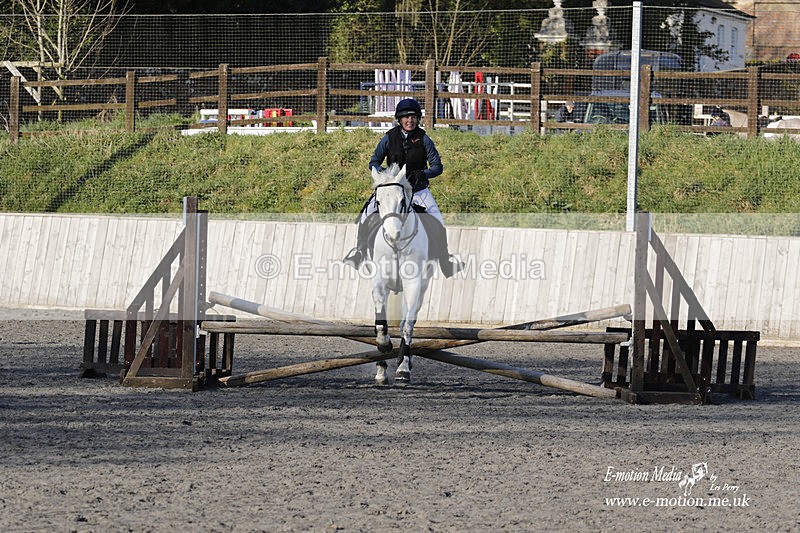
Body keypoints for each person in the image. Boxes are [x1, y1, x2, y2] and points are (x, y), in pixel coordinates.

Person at [343, 98, 463, 277]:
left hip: (417, 190)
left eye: (413, 117)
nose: (410, 120)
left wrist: (423, 173)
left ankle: (445, 261)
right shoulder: (389, 137)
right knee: (366, 215)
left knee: (438, 219)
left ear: (418, 119)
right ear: (399, 119)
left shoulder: (424, 139)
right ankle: (359, 252)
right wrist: (385, 176)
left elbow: (438, 167)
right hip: (392, 190)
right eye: (406, 117)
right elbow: (374, 161)